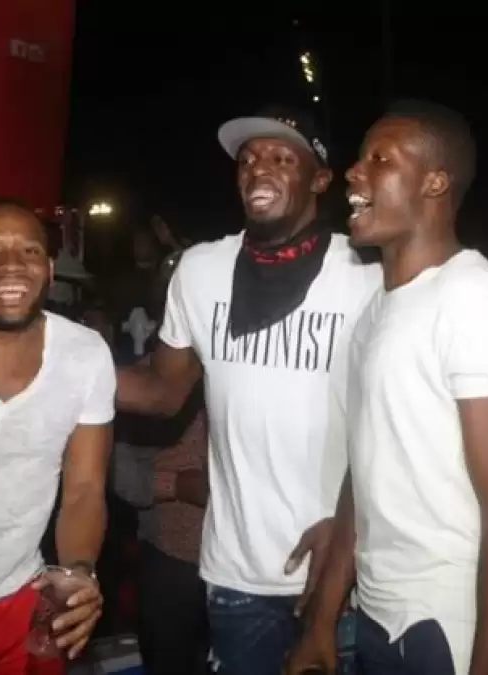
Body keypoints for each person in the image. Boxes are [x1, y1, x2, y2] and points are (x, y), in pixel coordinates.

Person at [116, 105, 382, 675]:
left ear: (319, 179)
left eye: (283, 158)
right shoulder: (200, 270)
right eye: (249, 158)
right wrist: (58, 361)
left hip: (345, 571)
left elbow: (395, 425)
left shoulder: (368, 272)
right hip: (236, 574)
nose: (259, 168)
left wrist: (350, 530)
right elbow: (163, 391)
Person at [289, 101, 488, 675]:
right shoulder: (375, 312)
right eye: (360, 158)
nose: (355, 172)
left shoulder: (472, 298)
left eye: (381, 159)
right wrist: (323, 619)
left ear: (435, 182)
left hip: (450, 625)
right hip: (379, 616)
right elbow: (363, 471)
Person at [0, 198, 113, 675]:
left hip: (25, 602)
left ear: (50, 271)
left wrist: (78, 574)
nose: (12, 264)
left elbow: (84, 488)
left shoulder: (85, 354)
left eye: (30, 251)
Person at [113, 250, 210, 675]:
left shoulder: (249, 373)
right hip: (173, 556)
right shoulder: (142, 380)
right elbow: (116, 471)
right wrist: (178, 485)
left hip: (254, 560)